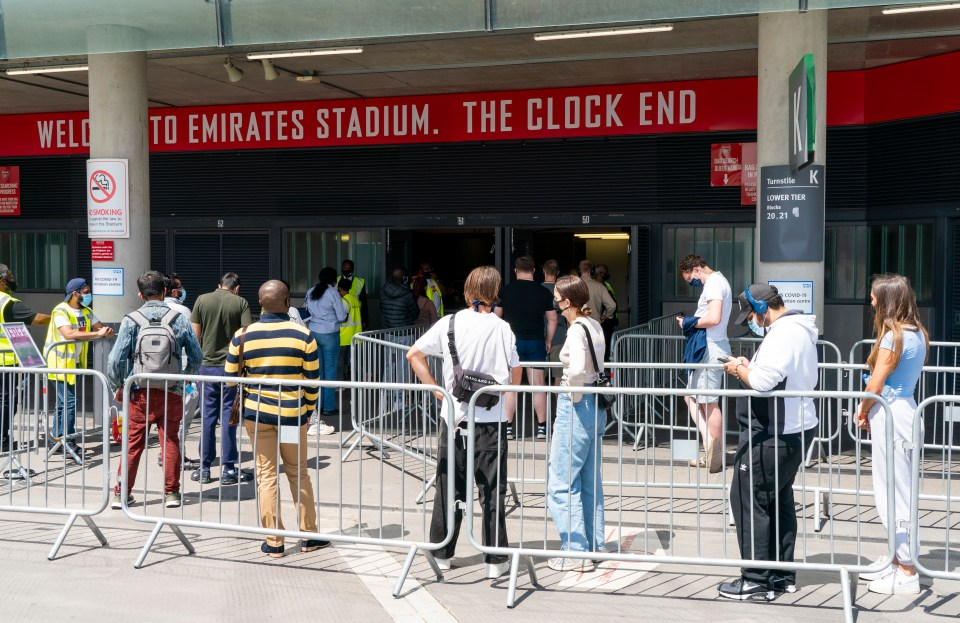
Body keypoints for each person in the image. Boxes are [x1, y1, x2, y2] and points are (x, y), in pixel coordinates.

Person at [406, 266, 521, 580]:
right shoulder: (502, 328)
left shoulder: (449, 323)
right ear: (494, 292)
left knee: (448, 488)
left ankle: (442, 554)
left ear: (468, 291)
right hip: (491, 420)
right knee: (492, 490)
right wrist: (509, 408)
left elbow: (414, 355)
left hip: (453, 419)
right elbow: (515, 370)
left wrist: (438, 392)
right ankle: (495, 560)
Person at [718, 283, 818, 601]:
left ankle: (756, 579)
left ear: (762, 309)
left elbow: (762, 383)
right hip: (793, 429)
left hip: (773, 432)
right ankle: (780, 575)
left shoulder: (782, 333)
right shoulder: (799, 329)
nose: (750, 321)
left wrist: (739, 370)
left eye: (750, 314)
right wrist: (752, 367)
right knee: (778, 501)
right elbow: (776, 373)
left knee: (749, 501)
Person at [225, 280, 328, 558]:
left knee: (266, 476)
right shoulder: (303, 336)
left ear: (260, 304)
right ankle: (308, 536)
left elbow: (230, 374)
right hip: (292, 417)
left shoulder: (243, 335)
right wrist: (306, 412)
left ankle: (274, 542)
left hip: (257, 417)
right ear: (287, 304)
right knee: (298, 473)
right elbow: (313, 382)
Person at [856, 274, 929, 595]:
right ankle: (898, 561)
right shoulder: (918, 333)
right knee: (900, 490)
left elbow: (875, 382)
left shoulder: (893, 337)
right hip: (905, 410)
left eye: (874, 296)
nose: (870, 301)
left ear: (887, 300)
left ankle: (907, 569)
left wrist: (862, 410)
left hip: (892, 412)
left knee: (893, 493)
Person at [107, 271, 203, 509]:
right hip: (171, 390)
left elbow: (114, 361)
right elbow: (196, 356)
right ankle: (172, 493)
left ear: (140, 294)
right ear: (165, 291)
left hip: (139, 390)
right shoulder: (178, 318)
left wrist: (119, 386)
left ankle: (121, 493)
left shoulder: (131, 320)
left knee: (132, 444)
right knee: (170, 440)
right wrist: (183, 379)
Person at [546, 275, 606, 572]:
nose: (554, 302)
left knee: (561, 482)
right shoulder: (593, 324)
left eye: (556, 297)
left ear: (566, 302)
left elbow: (579, 370)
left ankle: (574, 550)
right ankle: (593, 545)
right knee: (588, 480)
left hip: (577, 406)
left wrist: (570, 390)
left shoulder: (575, 330)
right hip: (595, 405)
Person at [190, 272, 253, 486]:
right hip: (231, 368)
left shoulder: (202, 299)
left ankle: (205, 467)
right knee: (230, 416)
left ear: (219, 285)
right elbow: (245, 336)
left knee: (207, 416)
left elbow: (194, 335)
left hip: (206, 367)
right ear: (236, 288)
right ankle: (228, 468)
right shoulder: (241, 302)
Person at [43, 277, 114, 460]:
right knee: (69, 402)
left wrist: (105, 331)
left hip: (74, 364)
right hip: (58, 364)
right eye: (86, 292)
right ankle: (68, 441)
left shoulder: (86, 311)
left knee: (63, 404)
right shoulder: (61, 310)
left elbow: (100, 327)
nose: (89, 295)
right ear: (75, 294)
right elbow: (68, 333)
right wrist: (97, 333)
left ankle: (57, 440)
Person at [677, 254, 732, 473]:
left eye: (690, 279)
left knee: (708, 402)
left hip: (710, 346)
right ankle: (710, 447)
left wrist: (688, 323)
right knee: (692, 397)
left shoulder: (714, 284)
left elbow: (714, 318)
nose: (692, 283)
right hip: (711, 345)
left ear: (697, 270)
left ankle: (713, 451)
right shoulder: (719, 281)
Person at [496, 256, 556, 440]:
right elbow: (552, 319)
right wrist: (548, 340)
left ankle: (508, 427)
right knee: (538, 385)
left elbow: (497, 317)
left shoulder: (505, 291)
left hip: (513, 342)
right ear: (534, 271)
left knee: (511, 386)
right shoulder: (543, 292)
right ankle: (542, 428)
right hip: (536, 341)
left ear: (515, 270)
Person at [0, 263, 50, 453]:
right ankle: (2, 440)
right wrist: (59, 317)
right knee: (6, 402)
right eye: (10, 277)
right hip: (7, 362)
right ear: (2, 281)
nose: (13, 280)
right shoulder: (8, 303)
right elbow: (36, 318)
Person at [161, 273, 200, 470]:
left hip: (153, 374)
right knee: (181, 416)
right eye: (180, 288)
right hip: (180, 371)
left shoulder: (145, 311)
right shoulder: (182, 311)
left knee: (164, 417)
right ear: (174, 291)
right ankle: (176, 456)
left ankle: (165, 453)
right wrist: (190, 374)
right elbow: (193, 346)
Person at [304, 267, 347, 423]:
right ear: (333, 279)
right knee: (330, 370)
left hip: (314, 331)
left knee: (317, 370)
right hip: (329, 333)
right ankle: (328, 407)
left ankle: (317, 405)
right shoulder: (332, 293)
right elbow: (341, 316)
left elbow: (308, 310)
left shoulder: (311, 290)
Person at [577, 260, 616, 341]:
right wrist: (606, 315)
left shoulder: (571, 285)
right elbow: (612, 305)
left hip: (576, 328)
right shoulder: (599, 286)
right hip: (594, 327)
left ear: (579, 270)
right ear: (592, 271)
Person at [542, 259, 567, 371]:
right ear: (558, 272)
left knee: (540, 371)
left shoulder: (538, 289)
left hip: (541, 334)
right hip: (559, 334)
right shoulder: (563, 291)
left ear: (544, 271)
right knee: (558, 372)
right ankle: (556, 390)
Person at [337, 277, 362, 380]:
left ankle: (340, 382)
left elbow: (342, 317)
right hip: (355, 335)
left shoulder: (344, 301)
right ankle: (353, 380)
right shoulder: (355, 300)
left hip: (344, 336)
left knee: (340, 361)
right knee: (351, 360)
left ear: (340, 288)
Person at [593, 264, 619, 359]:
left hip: (607, 321)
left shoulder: (604, 286)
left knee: (604, 345)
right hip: (605, 321)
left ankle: (604, 367)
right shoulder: (599, 286)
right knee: (603, 345)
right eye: (605, 272)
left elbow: (612, 304)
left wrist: (607, 316)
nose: (607, 274)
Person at [340, 259, 369, 331]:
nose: (347, 269)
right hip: (342, 314)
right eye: (345, 268)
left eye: (349, 268)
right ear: (342, 268)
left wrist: (365, 320)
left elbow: (364, 302)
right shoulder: (336, 280)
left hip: (355, 315)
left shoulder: (360, 282)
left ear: (353, 269)